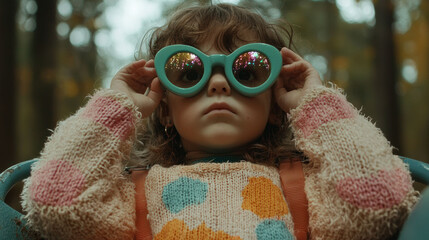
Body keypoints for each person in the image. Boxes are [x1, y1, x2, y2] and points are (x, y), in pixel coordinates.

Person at [21, 3, 418, 240]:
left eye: (246, 71)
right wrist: (115, 107)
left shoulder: (301, 189)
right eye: (188, 72)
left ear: (276, 102)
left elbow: (378, 203)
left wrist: (315, 104)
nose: (217, 83)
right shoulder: (136, 197)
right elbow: (55, 203)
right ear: (165, 110)